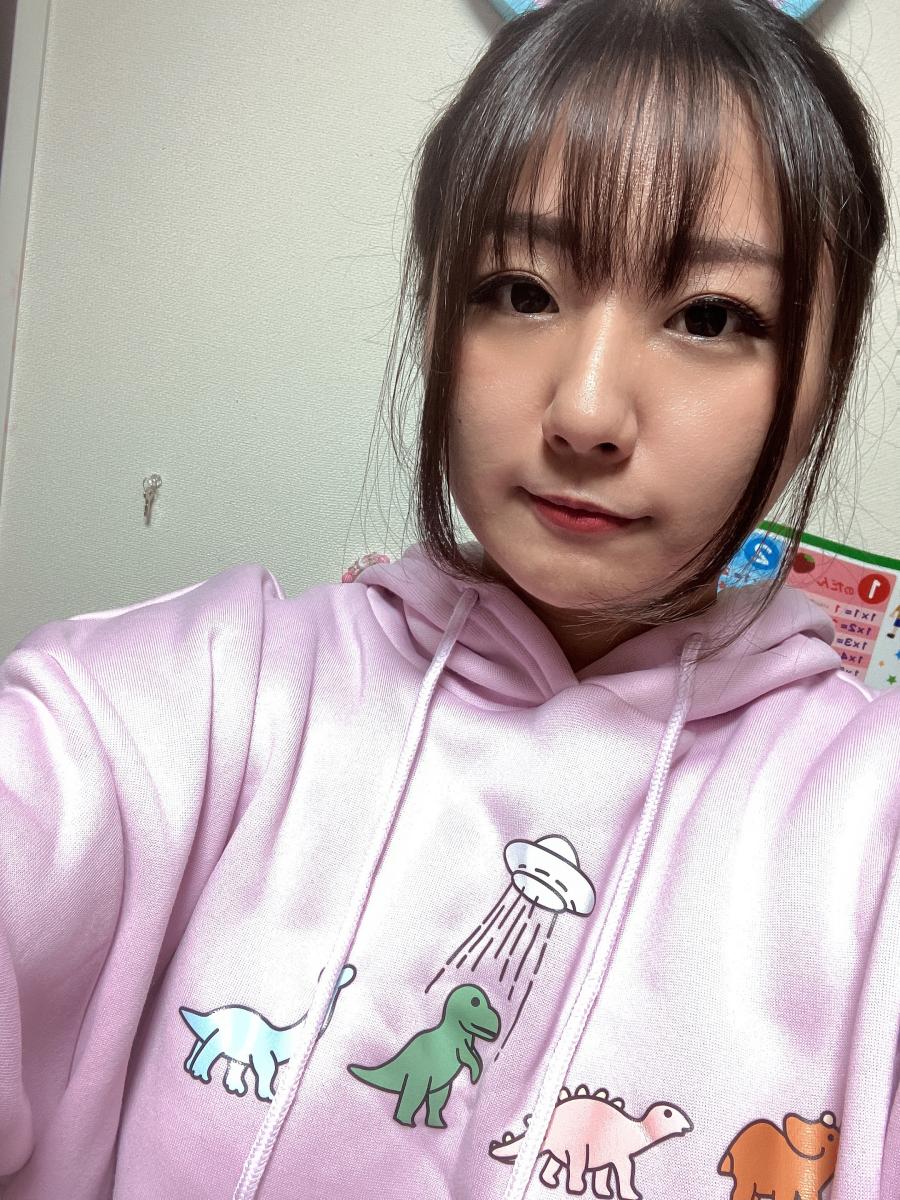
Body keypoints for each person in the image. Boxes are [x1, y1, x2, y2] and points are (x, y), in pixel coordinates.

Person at [1, 0, 896, 1196]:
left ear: (823, 372)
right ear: (436, 309)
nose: (586, 410)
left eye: (709, 316)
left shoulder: (870, 829)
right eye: (520, 290)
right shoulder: (212, 698)